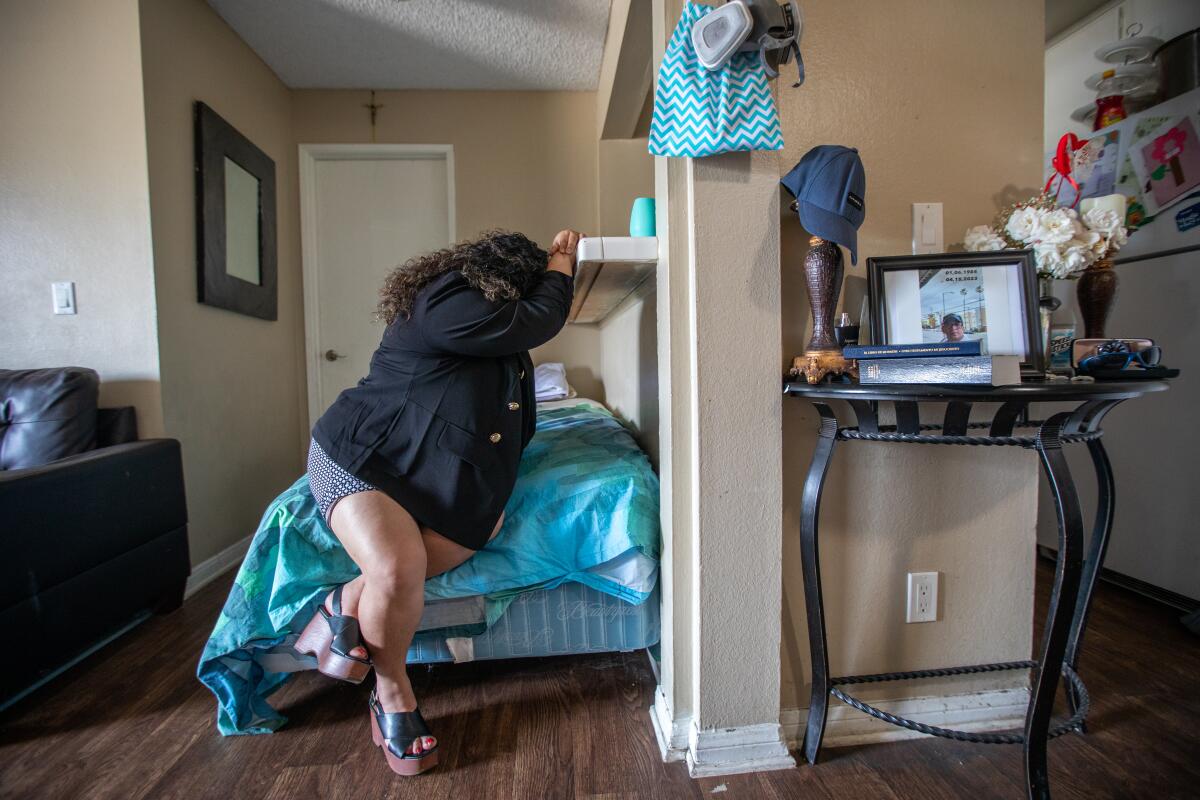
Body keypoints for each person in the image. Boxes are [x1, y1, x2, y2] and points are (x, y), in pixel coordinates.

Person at [296, 228, 582, 776]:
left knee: (453, 545)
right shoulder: (443, 297)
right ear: (505, 276)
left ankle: (340, 605)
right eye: (528, 284)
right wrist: (562, 265)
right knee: (399, 566)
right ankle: (392, 693)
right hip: (363, 457)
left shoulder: (496, 339)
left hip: (429, 476)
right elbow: (540, 319)